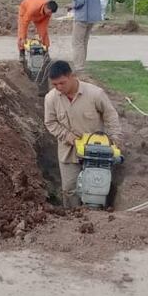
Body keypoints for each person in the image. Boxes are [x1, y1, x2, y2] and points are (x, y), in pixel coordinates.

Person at [44, 60, 122, 208]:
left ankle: (96, 215)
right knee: (69, 190)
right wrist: (68, 136)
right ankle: (72, 216)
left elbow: (110, 116)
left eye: (62, 83)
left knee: (96, 187)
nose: (59, 88)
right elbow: (50, 122)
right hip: (69, 152)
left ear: (72, 76)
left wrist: (115, 138)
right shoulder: (51, 98)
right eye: (55, 85)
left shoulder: (95, 94)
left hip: (96, 152)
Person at [68, 0, 102, 73]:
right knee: (84, 42)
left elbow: (79, 1)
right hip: (92, 16)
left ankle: (79, 68)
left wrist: (71, 5)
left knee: (77, 43)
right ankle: (81, 65)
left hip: (82, 17)